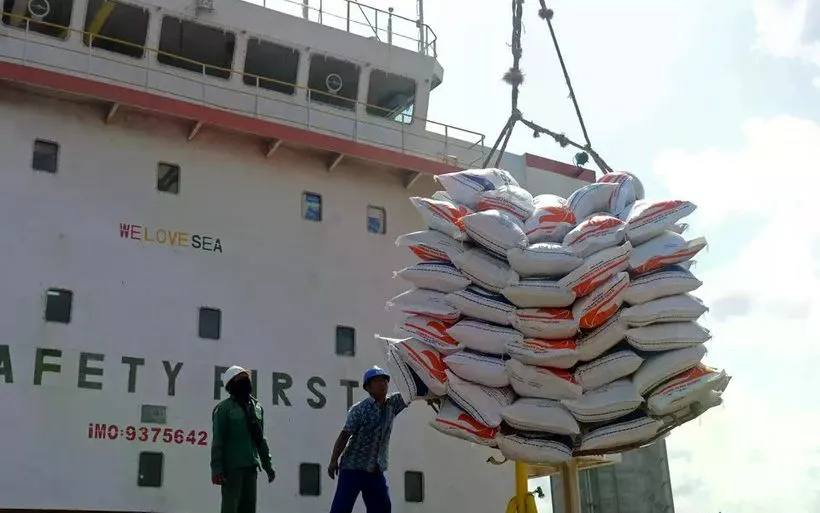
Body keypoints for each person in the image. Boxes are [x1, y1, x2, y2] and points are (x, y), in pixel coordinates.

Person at [326, 366, 415, 513]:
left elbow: (411, 394)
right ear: (368, 387)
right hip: (352, 467)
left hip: (374, 470)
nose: (383, 384)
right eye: (377, 381)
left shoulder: (392, 404)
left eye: (385, 380)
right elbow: (344, 435)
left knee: (383, 508)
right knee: (341, 508)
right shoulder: (360, 409)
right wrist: (334, 460)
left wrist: (433, 394)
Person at [211, 365, 276, 513]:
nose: (246, 381)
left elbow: (260, 440)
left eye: (247, 378)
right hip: (232, 468)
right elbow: (218, 441)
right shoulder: (223, 409)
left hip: (251, 467)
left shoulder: (257, 407)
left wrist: (268, 466)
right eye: (241, 379)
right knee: (230, 508)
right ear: (231, 385)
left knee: (249, 508)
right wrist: (216, 469)